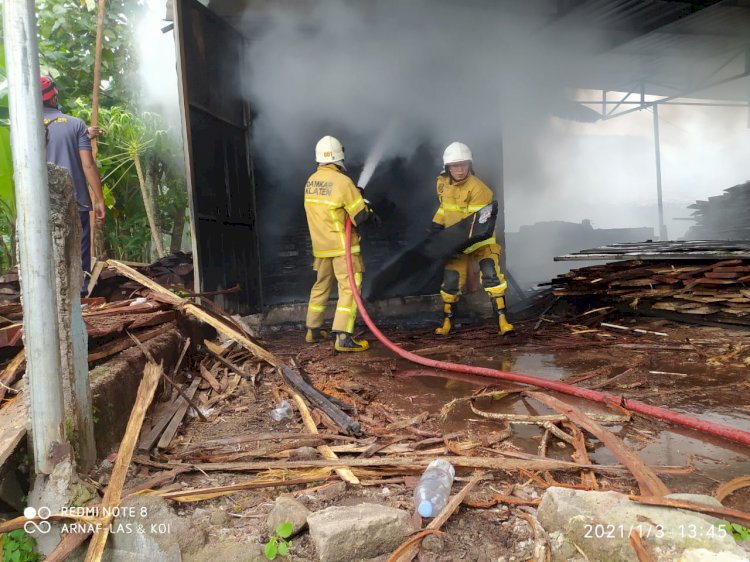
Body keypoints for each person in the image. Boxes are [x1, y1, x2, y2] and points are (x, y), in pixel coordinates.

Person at [430, 142, 514, 336]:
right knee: (451, 281)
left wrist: (454, 243)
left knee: (492, 276)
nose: (459, 170)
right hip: (455, 242)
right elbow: (444, 208)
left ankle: (503, 321)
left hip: (480, 241)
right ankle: (447, 323)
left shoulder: (479, 189)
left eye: (463, 165)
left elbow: (477, 225)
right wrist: (436, 226)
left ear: (469, 165)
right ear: (447, 168)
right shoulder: (443, 184)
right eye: (455, 166)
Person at [304, 135, 373, 352]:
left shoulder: (311, 181)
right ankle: (343, 337)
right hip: (343, 247)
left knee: (321, 285)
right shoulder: (343, 182)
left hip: (321, 247)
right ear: (339, 157)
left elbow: (329, 209)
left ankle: (312, 330)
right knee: (350, 288)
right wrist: (368, 208)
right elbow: (360, 216)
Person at [41, 76, 105, 294]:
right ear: (54, 96)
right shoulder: (75, 124)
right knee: (77, 260)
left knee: (47, 260)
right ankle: (80, 307)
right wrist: (99, 199)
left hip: (41, 207)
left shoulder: (25, 129)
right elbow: (88, 165)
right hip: (76, 204)